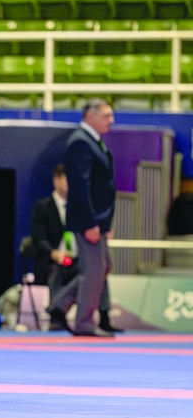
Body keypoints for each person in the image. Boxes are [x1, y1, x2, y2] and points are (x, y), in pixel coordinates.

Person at [48, 99, 118, 337]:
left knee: (102, 267)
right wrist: (90, 223)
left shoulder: (92, 142)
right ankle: (84, 323)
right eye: (107, 115)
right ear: (91, 115)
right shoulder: (80, 143)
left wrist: (105, 224)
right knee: (93, 272)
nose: (111, 120)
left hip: (98, 220)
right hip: (89, 220)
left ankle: (58, 305)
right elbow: (80, 186)